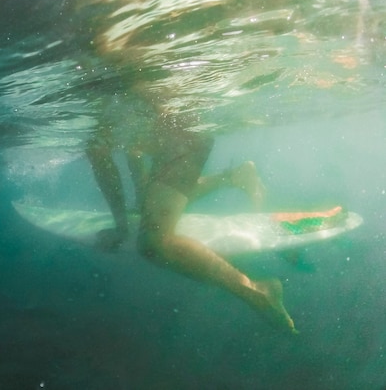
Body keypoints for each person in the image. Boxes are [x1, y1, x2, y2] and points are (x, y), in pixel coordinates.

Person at [86, 91, 297, 333]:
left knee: (154, 243)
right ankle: (236, 176)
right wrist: (142, 208)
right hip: (180, 133)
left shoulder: (99, 104)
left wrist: (122, 228)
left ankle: (258, 290)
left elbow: (105, 167)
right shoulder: (106, 99)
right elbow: (133, 155)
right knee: (149, 206)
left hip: (180, 140)